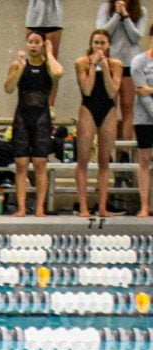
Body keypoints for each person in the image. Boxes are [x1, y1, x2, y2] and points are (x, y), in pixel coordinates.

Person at [4, 31, 63, 216]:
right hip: (22, 117)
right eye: (30, 42)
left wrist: (50, 53)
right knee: (21, 164)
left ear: (43, 44)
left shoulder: (49, 66)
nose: (33, 45)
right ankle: (21, 208)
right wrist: (21, 66)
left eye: (37, 42)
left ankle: (39, 207)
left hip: (42, 118)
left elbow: (58, 73)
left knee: (40, 163)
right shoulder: (18, 65)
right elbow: (8, 88)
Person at [75, 29, 123, 216]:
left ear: (108, 45)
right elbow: (86, 90)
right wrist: (93, 65)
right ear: (91, 44)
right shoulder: (81, 62)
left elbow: (112, 92)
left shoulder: (115, 64)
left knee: (104, 161)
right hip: (88, 109)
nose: (99, 46)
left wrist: (104, 67)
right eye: (96, 43)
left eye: (103, 43)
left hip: (108, 110)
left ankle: (102, 207)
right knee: (83, 160)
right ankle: (84, 207)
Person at [97, 0, 147, 142]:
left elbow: (136, 37)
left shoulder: (141, 11)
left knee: (127, 109)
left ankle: (125, 152)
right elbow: (102, 33)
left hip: (130, 64)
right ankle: (108, 151)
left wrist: (126, 17)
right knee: (110, 109)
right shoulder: (105, 8)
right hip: (110, 63)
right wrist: (117, 15)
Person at [132, 24, 153, 215]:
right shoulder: (139, 61)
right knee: (144, 161)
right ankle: (145, 205)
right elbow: (141, 93)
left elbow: (148, 90)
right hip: (144, 119)